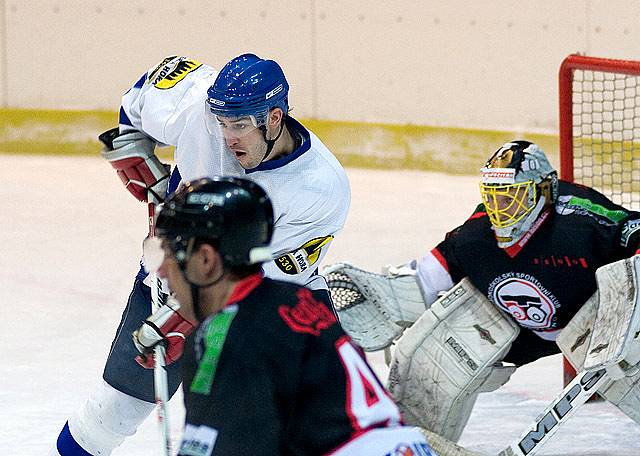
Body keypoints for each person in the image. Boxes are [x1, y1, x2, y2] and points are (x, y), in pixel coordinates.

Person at [50, 54, 350, 455]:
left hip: (267, 309)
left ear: (274, 117)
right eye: (222, 123)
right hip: (171, 277)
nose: (228, 137)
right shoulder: (199, 105)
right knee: (112, 414)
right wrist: (131, 141)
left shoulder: (320, 189)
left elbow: (261, 282)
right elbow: (141, 96)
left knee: (312, 418)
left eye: (240, 125)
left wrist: (181, 316)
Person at [326, 140, 640, 442]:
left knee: (628, 366)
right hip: (516, 332)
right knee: (434, 352)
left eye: (510, 197)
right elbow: (423, 282)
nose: (498, 208)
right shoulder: (476, 237)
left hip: (599, 322)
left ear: (543, 192)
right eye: (493, 196)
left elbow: (633, 230)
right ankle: (409, 443)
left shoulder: (582, 220)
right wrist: (385, 297)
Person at [141, 176, 435, 455]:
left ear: (205, 259)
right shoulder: (295, 298)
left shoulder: (228, 334)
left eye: (167, 254)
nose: (162, 271)